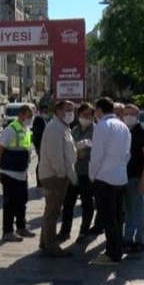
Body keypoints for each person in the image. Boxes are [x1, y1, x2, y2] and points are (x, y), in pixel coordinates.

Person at [88, 97, 131, 265]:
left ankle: (112, 254)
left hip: (105, 177)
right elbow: (128, 154)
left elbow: (96, 155)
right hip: (121, 177)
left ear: (99, 110)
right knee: (118, 217)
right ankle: (117, 250)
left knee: (108, 217)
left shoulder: (102, 126)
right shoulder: (123, 126)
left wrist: (93, 175)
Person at [37, 100, 78, 257]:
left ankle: (45, 241)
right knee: (53, 213)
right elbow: (56, 157)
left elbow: (67, 150)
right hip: (54, 176)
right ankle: (51, 247)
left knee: (51, 211)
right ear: (58, 112)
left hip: (56, 175)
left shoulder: (62, 127)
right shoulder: (55, 128)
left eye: (72, 110)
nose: (71, 113)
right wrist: (62, 175)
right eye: (68, 110)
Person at [0, 105, 36, 242]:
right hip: (10, 174)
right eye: (29, 116)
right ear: (21, 115)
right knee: (10, 203)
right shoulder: (10, 130)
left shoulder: (26, 130)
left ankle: (21, 227)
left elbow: (26, 149)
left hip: (22, 172)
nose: (31, 119)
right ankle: (7, 232)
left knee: (22, 201)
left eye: (32, 116)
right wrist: (4, 161)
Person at [60, 102, 96, 243]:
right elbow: (71, 151)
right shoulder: (74, 130)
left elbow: (86, 153)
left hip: (88, 173)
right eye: (82, 114)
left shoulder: (96, 130)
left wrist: (77, 152)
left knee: (87, 204)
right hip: (74, 173)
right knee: (68, 204)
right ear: (78, 115)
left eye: (88, 114)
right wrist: (77, 151)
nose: (85, 117)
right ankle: (65, 231)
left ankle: (84, 232)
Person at [122, 104, 144, 254]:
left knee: (138, 209)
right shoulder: (122, 131)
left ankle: (139, 240)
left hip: (136, 177)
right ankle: (127, 239)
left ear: (137, 116)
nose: (128, 116)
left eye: (131, 114)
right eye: (126, 113)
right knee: (128, 210)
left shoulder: (143, 132)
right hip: (123, 177)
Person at [32, 105, 49, 188]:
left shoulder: (44, 120)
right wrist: (37, 147)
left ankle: (41, 182)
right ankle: (39, 182)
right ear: (41, 111)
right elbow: (37, 134)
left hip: (43, 146)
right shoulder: (39, 119)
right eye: (44, 111)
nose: (46, 113)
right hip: (41, 146)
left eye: (46, 111)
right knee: (41, 163)